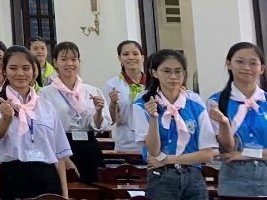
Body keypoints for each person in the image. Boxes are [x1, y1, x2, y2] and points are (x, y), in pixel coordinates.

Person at [0, 45, 70, 199]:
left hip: (47, 176)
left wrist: (65, 195)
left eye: (26, 68)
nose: (20, 73)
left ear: (34, 72)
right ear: (5, 71)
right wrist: (6, 118)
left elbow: (60, 153)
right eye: (13, 68)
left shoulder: (46, 106)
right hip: (15, 174)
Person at [134, 49, 216, 200]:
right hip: (160, 176)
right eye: (166, 71)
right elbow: (153, 152)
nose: (173, 76)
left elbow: (208, 154)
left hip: (193, 175)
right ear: (154, 72)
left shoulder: (194, 101)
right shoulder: (142, 102)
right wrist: (153, 118)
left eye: (178, 71)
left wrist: (168, 159)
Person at [41, 41, 107, 183]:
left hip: (89, 146)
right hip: (62, 146)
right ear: (55, 62)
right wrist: (63, 156)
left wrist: (98, 112)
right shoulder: (45, 93)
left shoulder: (91, 91)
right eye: (64, 59)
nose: (69, 63)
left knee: (94, 187)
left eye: (73, 59)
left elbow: (99, 127)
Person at [209, 42, 267, 197]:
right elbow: (227, 150)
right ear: (229, 64)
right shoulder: (216, 102)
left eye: (253, 63)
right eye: (240, 61)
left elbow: (235, 154)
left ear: (262, 68)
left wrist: (244, 154)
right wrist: (224, 123)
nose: (246, 67)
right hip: (233, 179)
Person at [106, 40, 148, 152]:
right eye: (125, 54)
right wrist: (113, 104)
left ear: (142, 57)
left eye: (135, 54)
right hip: (126, 145)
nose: (131, 57)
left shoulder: (153, 84)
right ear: (119, 58)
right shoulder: (113, 84)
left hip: (152, 143)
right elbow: (111, 121)